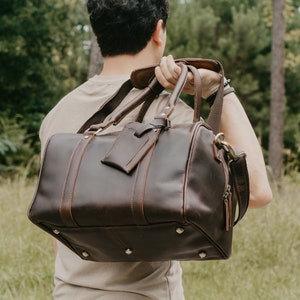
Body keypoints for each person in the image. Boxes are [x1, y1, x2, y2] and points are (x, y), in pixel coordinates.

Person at [39, 0, 272, 299]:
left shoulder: (57, 116)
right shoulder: (170, 115)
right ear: (158, 31)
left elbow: (61, 229)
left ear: (98, 31)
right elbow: (256, 192)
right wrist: (218, 88)